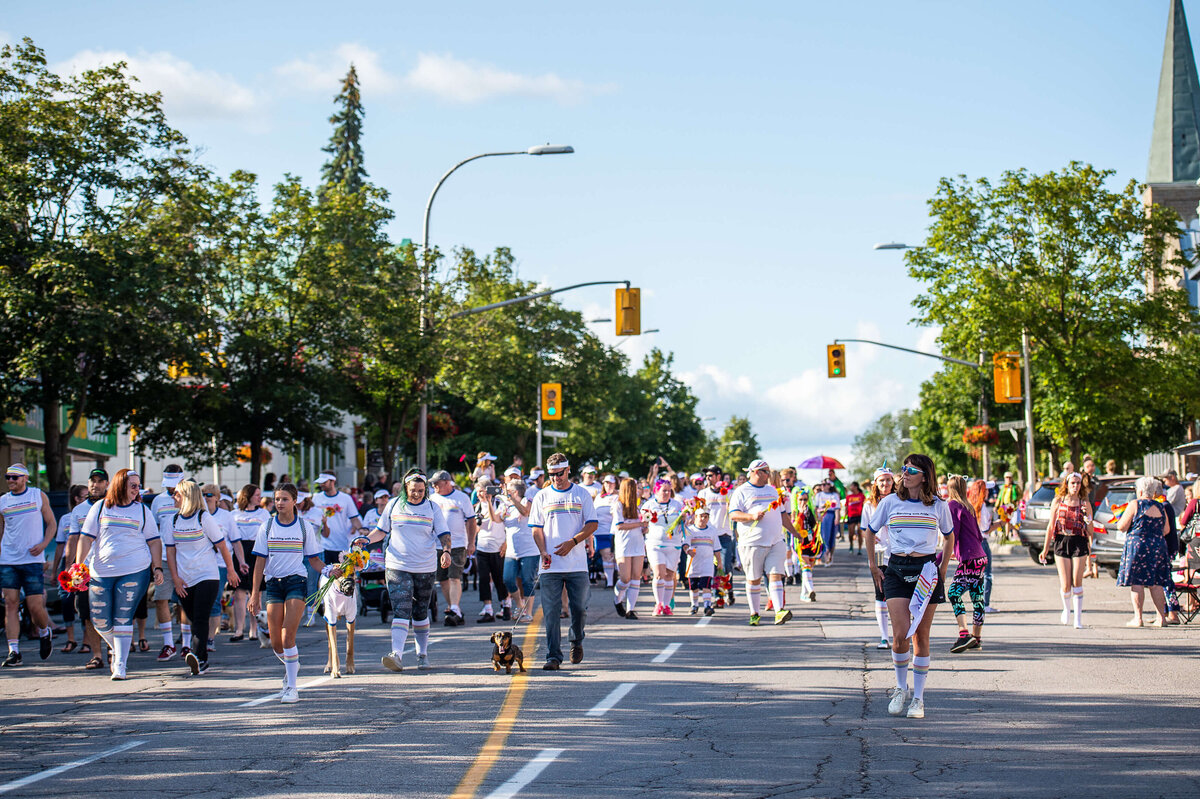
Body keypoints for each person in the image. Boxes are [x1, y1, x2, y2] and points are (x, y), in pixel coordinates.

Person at [866, 454, 954, 720]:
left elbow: (949, 537)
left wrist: (942, 568)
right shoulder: (891, 501)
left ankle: (918, 699)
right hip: (895, 569)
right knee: (900, 634)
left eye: (911, 469)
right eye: (903, 468)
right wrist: (873, 565)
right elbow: (870, 531)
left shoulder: (939, 505)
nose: (904, 473)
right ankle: (900, 688)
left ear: (924, 476)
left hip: (926, 571)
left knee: (920, 636)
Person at [76, 468, 164, 680]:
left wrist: (157, 567)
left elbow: (154, 541)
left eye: (138, 485)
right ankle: (116, 646)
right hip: (101, 572)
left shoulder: (142, 511)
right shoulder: (100, 507)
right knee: (100, 620)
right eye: (132, 485)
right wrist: (78, 567)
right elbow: (86, 538)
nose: (137, 489)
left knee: (123, 616)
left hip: (134, 571)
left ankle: (120, 665)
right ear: (120, 485)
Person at [363, 469, 451, 672]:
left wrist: (446, 552)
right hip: (397, 565)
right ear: (405, 488)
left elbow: (444, 534)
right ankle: (397, 654)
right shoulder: (394, 505)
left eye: (421, 490)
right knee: (401, 609)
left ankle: (422, 654)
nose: (417, 494)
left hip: (425, 567)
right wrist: (366, 540)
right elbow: (381, 531)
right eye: (413, 490)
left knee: (420, 611)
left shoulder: (432, 508)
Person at [248, 483, 324, 702]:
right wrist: (255, 594)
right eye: (277, 499)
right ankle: (292, 664)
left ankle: (292, 687)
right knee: (276, 642)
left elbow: (314, 560)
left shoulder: (303, 527)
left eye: (284, 499)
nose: (279, 503)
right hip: (273, 584)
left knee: (288, 636)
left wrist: (330, 569)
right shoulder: (267, 526)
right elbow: (259, 562)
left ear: (294, 501)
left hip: (296, 582)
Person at [162, 481, 240, 675]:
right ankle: (199, 655)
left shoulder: (203, 518)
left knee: (200, 617)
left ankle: (199, 658)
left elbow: (222, 546)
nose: (174, 497)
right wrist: (175, 578)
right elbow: (170, 553)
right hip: (184, 579)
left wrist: (231, 570)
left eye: (177, 494)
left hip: (207, 575)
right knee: (190, 616)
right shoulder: (172, 521)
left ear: (187, 496)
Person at [529, 453, 597, 670]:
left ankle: (576, 640)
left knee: (579, 608)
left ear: (568, 470)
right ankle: (553, 656)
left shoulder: (581, 494)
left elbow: (592, 524)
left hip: (576, 564)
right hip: (550, 565)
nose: (556, 478)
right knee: (551, 611)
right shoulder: (542, 496)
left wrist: (573, 541)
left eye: (559, 473)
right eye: (551, 474)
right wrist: (542, 551)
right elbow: (536, 528)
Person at [0, 463, 58, 665]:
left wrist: (43, 545)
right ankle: (14, 651)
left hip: (32, 560)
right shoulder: (3, 501)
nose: (10, 480)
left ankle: (44, 631)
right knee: (11, 604)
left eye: (15, 477)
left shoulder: (37, 495)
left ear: (25, 478)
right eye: (8, 477)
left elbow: (51, 523)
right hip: (8, 560)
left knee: (35, 607)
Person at [729, 459, 797, 626]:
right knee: (754, 579)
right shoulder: (742, 491)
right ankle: (754, 613)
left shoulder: (773, 491)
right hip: (752, 543)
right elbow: (733, 514)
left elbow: (782, 515)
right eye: (767, 471)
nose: (770, 474)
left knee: (776, 575)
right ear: (757, 472)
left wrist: (795, 533)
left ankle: (779, 611)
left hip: (776, 541)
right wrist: (751, 516)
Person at [1115, 476, 1173, 627]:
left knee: (1137, 582)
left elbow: (1121, 526)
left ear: (1139, 491)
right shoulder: (1161, 507)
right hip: (1157, 546)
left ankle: (1138, 618)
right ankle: (1161, 618)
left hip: (1138, 546)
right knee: (1156, 582)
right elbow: (1166, 529)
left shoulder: (1135, 504)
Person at [1038, 471, 1092, 629]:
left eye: (1078, 483)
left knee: (1077, 580)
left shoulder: (1084, 503)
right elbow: (1050, 527)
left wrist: (1088, 520)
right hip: (1062, 540)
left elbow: (1090, 530)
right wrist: (1045, 548)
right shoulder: (1058, 501)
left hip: (1079, 541)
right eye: (1072, 483)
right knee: (1066, 584)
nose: (1075, 486)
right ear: (1067, 485)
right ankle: (1067, 609)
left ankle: (1078, 618)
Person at [945, 476, 988, 652]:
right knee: (977, 598)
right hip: (980, 557)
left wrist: (944, 556)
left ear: (950, 489)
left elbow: (952, 533)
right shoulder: (968, 506)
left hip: (969, 559)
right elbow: (978, 535)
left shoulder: (952, 506)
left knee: (954, 593)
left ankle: (964, 634)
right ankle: (977, 638)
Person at [429, 471, 476, 627]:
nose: (434, 486)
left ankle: (454, 608)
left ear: (447, 482)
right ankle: (455, 609)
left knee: (454, 577)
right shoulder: (432, 499)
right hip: (437, 545)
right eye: (432, 483)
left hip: (457, 544)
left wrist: (471, 542)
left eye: (437, 483)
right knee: (442, 579)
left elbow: (471, 521)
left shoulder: (461, 498)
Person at [202, 483, 244, 650]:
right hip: (199, 565)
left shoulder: (226, 517)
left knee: (214, 600)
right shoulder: (198, 515)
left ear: (217, 498)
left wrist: (241, 562)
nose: (206, 497)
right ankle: (196, 635)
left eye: (209, 495)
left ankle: (210, 638)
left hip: (219, 564)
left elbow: (235, 542)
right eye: (203, 494)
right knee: (198, 603)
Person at [640, 479, 686, 616]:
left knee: (670, 575)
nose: (666, 493)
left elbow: (685, 521)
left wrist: (684, 517)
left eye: (668, 490)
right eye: (663, 490)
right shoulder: (649, 505)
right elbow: (644, 523)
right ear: (656, 491)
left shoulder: (677, 505)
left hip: (674, 544)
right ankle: (658, 604)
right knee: (659, 573)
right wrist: (644, 521)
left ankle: (667, 605)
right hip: (655, 544)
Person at [861, 466, 895, 649]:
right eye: (881, 480)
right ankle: (884, 636)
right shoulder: (869, 505)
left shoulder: (900, 500)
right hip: (880, 553)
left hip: (899, 553)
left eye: (888, 480)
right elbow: (865, 530)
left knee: (900, 596)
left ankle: (902, 634)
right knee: (881, 594)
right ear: (875, 483)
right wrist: (871, 537)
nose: (885, 483)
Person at [230, 485, 269, 642]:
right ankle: (239, 629)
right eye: (256, 495)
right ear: (248, 496)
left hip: (257, 551)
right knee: (239, 592)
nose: (259, 498)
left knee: (256, 592)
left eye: (260, 495)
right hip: (240, 551)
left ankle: (254, 629)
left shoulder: (264, 513)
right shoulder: (234, 514)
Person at [498, 468, 536, 623]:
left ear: (516, 491)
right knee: (507, 579)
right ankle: (520, 605)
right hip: (512, 550)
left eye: (510, 491)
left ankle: (528, 612)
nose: (508, 493)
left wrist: (512, 500)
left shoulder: (527, 500)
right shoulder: (506, 504)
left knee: (527, 581)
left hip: (529, 549)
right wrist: (489, 501)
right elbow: (496, 519)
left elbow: (525, 512)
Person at [54, 484, 89, 653]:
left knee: (83, 601)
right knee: (67, 601)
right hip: (68, 562)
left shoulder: (92, 512)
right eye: (85, 496)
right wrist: (56, 571)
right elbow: (60, 546)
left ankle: (87, 641)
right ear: (77, 499)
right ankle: (70, 639)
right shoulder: (66, 519)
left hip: (84, 562)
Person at [473, 476, 508, 624]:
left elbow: (499, 521)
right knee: (484, 579)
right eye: (478, 492)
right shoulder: (477, 507)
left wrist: (506, 543)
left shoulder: (499, 503)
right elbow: (476, 529)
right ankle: (488, 609)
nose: (481, 494)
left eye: (483, 491)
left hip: (497, 547)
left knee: (500, 578)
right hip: (482, 547)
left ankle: (506, 605)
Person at [612, 477, 647, 620]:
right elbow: (619, 525)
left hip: (638, 543)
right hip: (624, 544)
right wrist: (639, 524)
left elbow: (642, 525)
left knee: (635, 577)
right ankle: (617, 600)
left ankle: (630, 609)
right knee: (625, 578)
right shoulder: (618, 504)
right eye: (634, 488)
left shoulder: (638, 506)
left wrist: (645, 527)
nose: (637, 491)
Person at [312, 472, 363, 566]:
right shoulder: (316, 498)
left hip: (341, 544)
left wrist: (361, 529)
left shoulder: (345, 498)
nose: (321, 485)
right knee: (324, 577)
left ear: (333, 481)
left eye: (324, 482)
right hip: (321, 546)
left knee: (340, 577)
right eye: (320, 482)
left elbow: (354, 518)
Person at [684, 506, 719, 616]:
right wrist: (688, 551)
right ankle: (694, 605)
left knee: (706, 585)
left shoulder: (712, 531)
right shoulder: (690, 530)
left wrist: (720, 563)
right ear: (695, 517)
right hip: (693, 564)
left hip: (707, 563)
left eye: (705, 517)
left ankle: (707, 606)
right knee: (693, 587)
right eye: (700, 516)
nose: (703, 519)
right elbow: (685, 544)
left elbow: (717, 548)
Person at [592, 474, 619, 588]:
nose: (609, 485)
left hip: (613, 531)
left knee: (614, 556)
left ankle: (617, 579)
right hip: (600, 531)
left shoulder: (618, 496)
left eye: (611, 483)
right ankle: (610, 582)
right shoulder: (599, 497)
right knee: (606, 556)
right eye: (607, 483)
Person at [813, 479, 841, 565]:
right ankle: (826, 556)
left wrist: (837, 518)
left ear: (830, 485)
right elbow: (815, 507)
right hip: (822, 516)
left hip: (831, 515)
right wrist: (817, 517)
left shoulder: (834, 495)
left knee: (832, 537)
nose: (823, 486)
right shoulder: (819, 495)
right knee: (824, 536)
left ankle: (831, 555)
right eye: (822, 484)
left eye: (825, 484)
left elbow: (837, 508)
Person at [844, 482, 865, 555]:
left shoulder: (861, 496)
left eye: (851, 486)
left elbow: (864, 506)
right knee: (851, 533)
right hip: (851, 516)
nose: (850, 487)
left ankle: (859, 549)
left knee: (859, 532)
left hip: (860, 516)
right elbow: (846, 507)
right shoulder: (849, 497)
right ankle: (851, 545)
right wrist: (844, 517)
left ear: (856, 487)